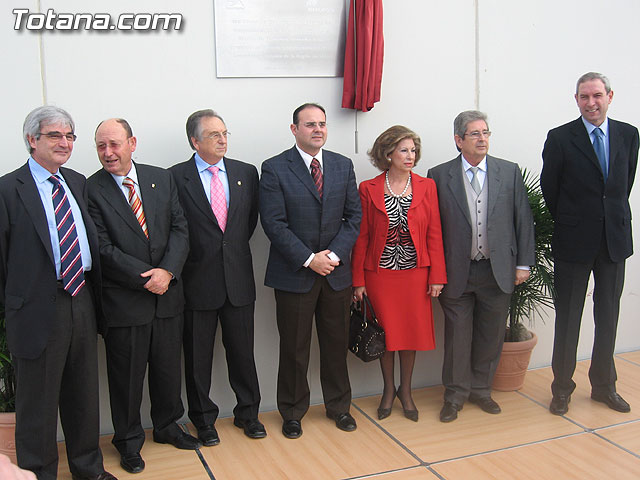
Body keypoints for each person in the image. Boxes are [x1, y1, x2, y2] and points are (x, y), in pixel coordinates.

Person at [0, 106, 116, 480]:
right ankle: (37, 474)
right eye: (54, 135)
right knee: (38, 404)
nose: (64, 142)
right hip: (36, 307)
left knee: (83, 395)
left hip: (80, 298)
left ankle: (88, 470)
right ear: (32, 140)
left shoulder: (77, 181)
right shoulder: (7, 189)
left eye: (69, 136)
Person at [87, 118, 199, 475]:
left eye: (114, 144)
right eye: (101, 146)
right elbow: (101, 248)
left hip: (167, 297)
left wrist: (167, 272)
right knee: (126, 379)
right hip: (125, 303)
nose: (108, 153)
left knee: (168, 371)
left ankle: (167, 427)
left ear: (132, 143)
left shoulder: (160, 178)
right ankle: (129, 442)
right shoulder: (91, 189)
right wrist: (145, 278)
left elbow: (181, 228)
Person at [259, 103, 362, 438]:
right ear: (294, 129)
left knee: (335, 345)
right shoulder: (274, 168)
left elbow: (353, 217)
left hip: (335, 274)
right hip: (295, 275)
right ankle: (292, 412)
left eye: (322, 124)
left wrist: (331, 255)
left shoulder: (342, 165)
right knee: (294, 347)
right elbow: (273, 223)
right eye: (309, 125)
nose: (318, 129)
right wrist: (308, 259)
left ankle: (339, 407)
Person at [541, 72, 639, 416]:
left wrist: (605, 217)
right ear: (576, 99)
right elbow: (550, 188)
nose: (591, 103)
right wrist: (576, 219)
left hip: (613, 240)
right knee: (569, 317)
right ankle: (562, 389)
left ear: (610, 96)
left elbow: (621, 185)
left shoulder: (629, 134)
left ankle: (604, 386)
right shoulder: (560, 137)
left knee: (608, 315)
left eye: (597, 95)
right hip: (573, 241)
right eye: (584, 97)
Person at [428, 110, 535, 423]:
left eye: (485, 132)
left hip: (497, 269)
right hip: (456, 272)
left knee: (490, 335)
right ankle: (455, 395)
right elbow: (433, 228)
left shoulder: (508, 171)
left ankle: (481, 390)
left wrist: (524, 264)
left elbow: (522, 220)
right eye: (474, 134)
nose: (482, 139)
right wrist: (435, 271)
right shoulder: (439, 174)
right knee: (457, 338)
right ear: (458, 140)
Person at [170, 110, 265, 445]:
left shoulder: (245, 172)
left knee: (243, 353)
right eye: (213, 135)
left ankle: (249, 414)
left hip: (238, 279)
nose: (222, 139)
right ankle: (204, 420)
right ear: (195, 141)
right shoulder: (175, 177)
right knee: (197, 359)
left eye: (225, 133)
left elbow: (246, 223)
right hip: (197, 282)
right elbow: (176, 228)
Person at [352, 125, 446, 421]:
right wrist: (358, 281)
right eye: (404, 150)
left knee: (410, 334)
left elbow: (434, 233)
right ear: (388, 153)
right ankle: (388, 390)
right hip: (380, 275)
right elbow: (362, 236)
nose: (410, 156)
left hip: (415, 274)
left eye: (413, 150)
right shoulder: (368, 188)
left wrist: (437, 276)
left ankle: (406, 391)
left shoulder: (426, 186)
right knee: (387, 334)